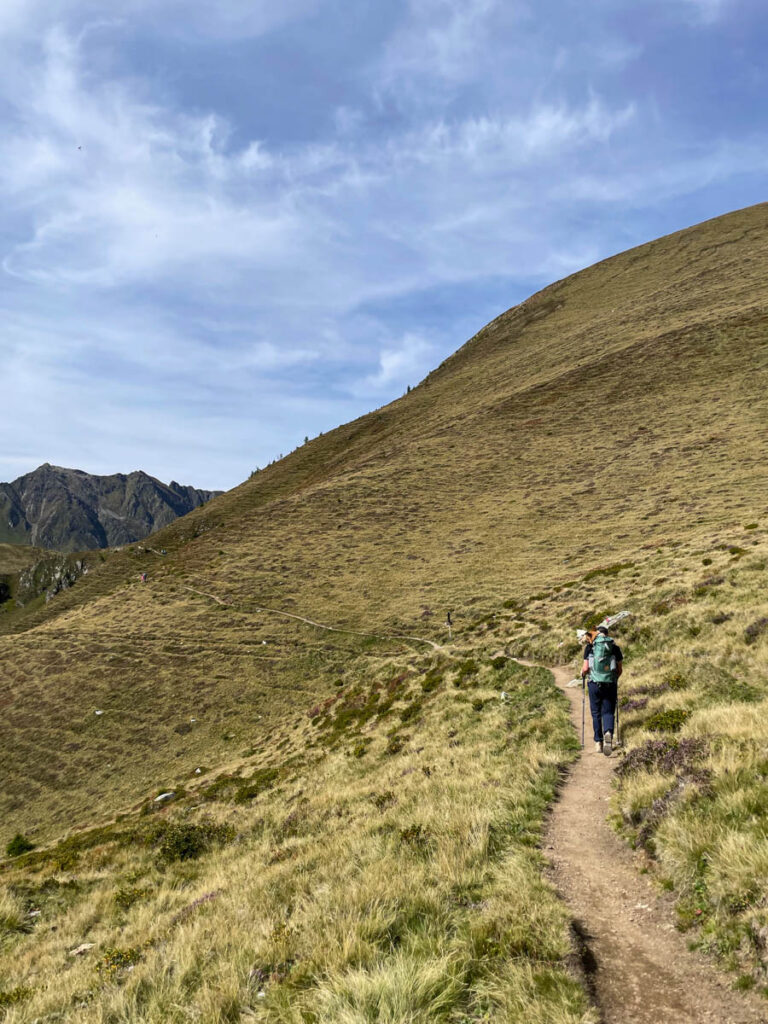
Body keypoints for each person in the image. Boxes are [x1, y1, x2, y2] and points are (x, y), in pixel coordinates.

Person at [582, 624, 623, 756]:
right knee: (608, 711)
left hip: (594, 684)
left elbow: (585, 669)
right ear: (607, 634)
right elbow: (619, 670)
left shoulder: (590, 647)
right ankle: (608, 733)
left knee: (596, 713)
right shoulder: (615, 648)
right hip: (610, 683)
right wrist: (613, 678)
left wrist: (583, 675)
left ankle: (598, 742)